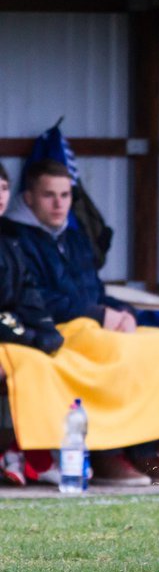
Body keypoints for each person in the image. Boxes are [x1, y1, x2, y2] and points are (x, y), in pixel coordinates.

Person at [7, 159, 159, 485]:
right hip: (55, 327)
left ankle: (144, 450)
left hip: (91, 324)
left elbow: (95, 290)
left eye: (65, 195)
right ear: (29, 198)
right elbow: (35, 299)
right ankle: (106, 453)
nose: (59, 203)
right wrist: (100, 315)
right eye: (49, 195)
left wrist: (122, 312)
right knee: (116, 351)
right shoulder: (15, 236)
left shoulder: (73, 237)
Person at [0, 162, 63, 486]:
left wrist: (45, 329)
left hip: (8, 335)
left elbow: (27, 292)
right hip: (7, 337)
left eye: (3, 188)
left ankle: (26, 453)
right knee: (31, 362)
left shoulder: (8, 239)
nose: (0, 196)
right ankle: (31, 456)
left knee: (48, 356)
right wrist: (28, 337)